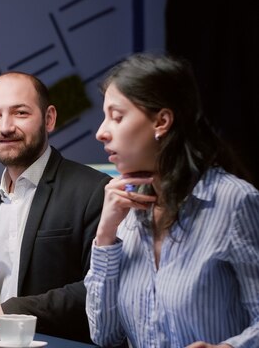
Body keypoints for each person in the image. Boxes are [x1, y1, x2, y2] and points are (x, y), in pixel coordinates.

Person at [85, 53, 259, 347]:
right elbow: (104, 335)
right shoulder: (124, 211)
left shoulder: (234, 200)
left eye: (117, 117)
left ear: (162, 121)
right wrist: (105, 236)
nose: (101, 132)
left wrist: (228, 347)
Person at [0, 71, 111, 343]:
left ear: (49, 119)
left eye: (20, 113)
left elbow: (100, 290)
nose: (5, 127)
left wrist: (8, 312)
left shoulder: (95, 191)